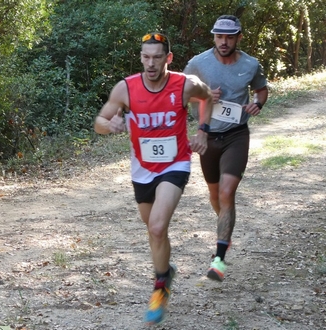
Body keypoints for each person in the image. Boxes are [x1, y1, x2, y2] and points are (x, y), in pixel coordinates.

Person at [94, 32, 213, 325]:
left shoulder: (185, 85)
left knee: (158, 226)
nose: (150, 63)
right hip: (142, 170)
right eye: (145, 57)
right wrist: (111, 125)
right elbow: (99, 123)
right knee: (152, 229)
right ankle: (166, 270)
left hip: (175, 164)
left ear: (168, 58)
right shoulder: (126, 89)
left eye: (157, 57)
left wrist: (202, 131)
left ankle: (160, 287)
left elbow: (207, 98)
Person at [184, 15, 268, 282]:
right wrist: (203, 94)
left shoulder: (250, 64)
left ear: (238, 37)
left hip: (236, 135)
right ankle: (226, 229)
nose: (223, 41)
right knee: (214, 194)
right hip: (208, 136)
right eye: (219, 36)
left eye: (229, 37)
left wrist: (258, 103)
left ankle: (219, 257)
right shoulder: (198, 63)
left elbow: (261, 90)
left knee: (226, 191)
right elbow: (180, 93)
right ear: (214, 37)